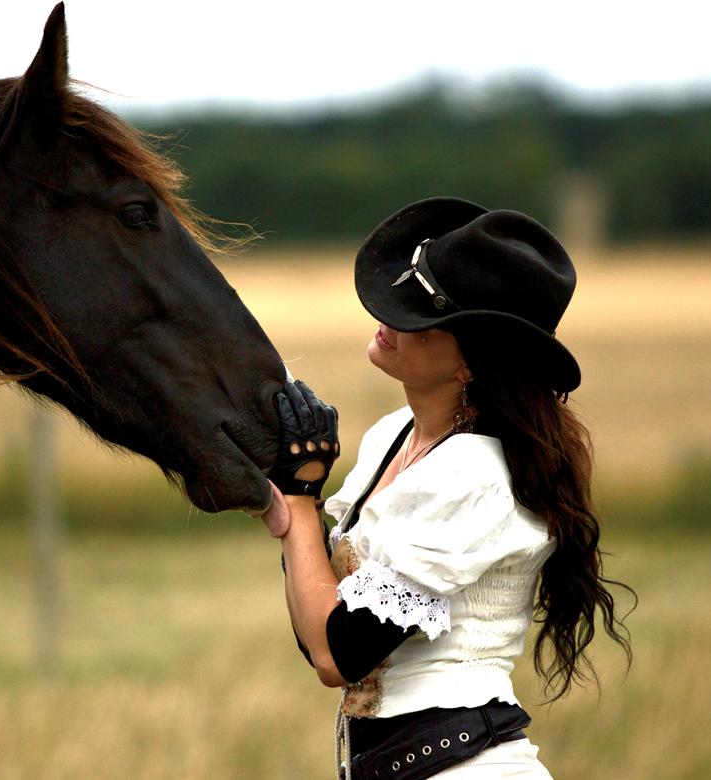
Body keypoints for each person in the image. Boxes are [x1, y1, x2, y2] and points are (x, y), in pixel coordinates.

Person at [262, 197, 633, 779]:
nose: (391, 315)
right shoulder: (395, 437)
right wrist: (291, 498)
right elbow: (320, 630)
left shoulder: (473, 475)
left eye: (423, 315)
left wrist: (302, 501)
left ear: (472, 364)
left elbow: (338, 655)